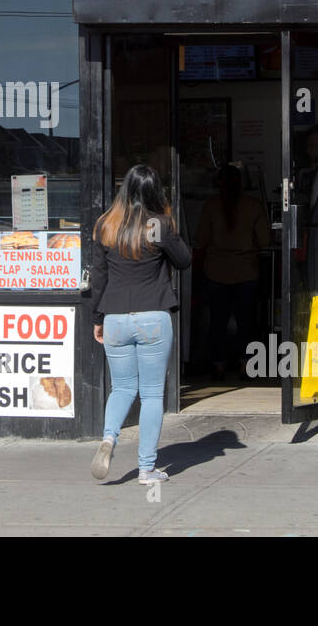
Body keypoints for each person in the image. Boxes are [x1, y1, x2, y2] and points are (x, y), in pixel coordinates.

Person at [87, 164, 192, 484]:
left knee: (121, 388)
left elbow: (98, 277)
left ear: (125, 190)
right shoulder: (159, 225)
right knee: (150, 395)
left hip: (116, 317)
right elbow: (184, 260)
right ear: (155, 193)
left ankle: (108, 438)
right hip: (153, 318)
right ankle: (146, 469)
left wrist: (97, 318)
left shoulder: (106, 224)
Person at [195, 164, 272, 380]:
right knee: (246, 321)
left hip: (216, 270)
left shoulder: (210, 206)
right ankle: (246, 364)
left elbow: (200, 240)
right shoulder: (253, 205)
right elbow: (265, 239)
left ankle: (218, 364)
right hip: (246, 270)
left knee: (218, 321)